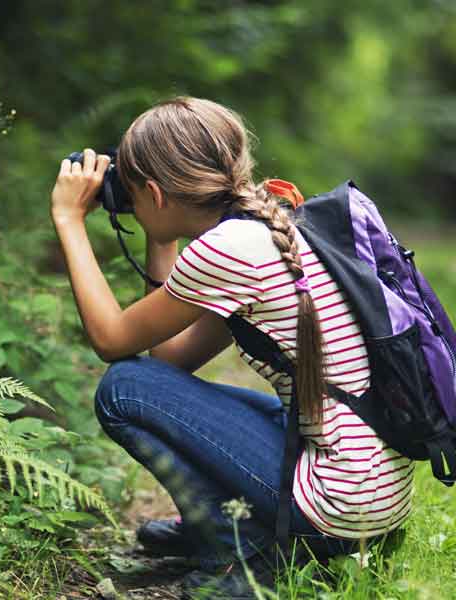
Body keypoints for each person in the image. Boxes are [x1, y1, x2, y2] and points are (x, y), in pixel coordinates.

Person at [49, 96, 413, 598]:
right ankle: (222, 526)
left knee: (123, 389)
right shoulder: (269, 225)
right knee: (160, 387)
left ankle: (239, 557)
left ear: (154, 193)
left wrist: (69, 221)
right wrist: (162, 233)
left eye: (134, 194)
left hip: (340, 503)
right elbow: (173, 358)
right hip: (373, 496)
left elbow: (113, 342)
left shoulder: (227, 251)